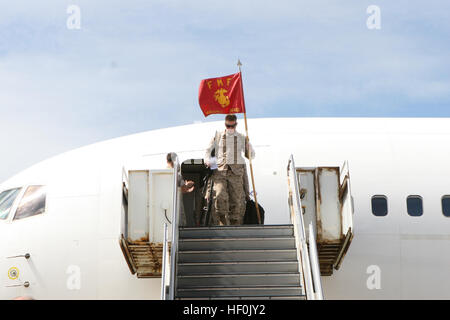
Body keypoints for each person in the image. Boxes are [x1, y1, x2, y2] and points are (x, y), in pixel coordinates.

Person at [204, 114, 255, 225]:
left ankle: (235, 226)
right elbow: (208, 151)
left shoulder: (242, 138)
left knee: (236, 202)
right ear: (225, 124)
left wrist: (249, 149)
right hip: (220, 172)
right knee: (220, 196)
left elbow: (251, 156)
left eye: (232, 126)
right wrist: (207, 160)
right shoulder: (217, 137)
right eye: (228, 126)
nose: (230, 128)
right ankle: (222, 223)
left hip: (236, 173)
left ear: (236, 124)